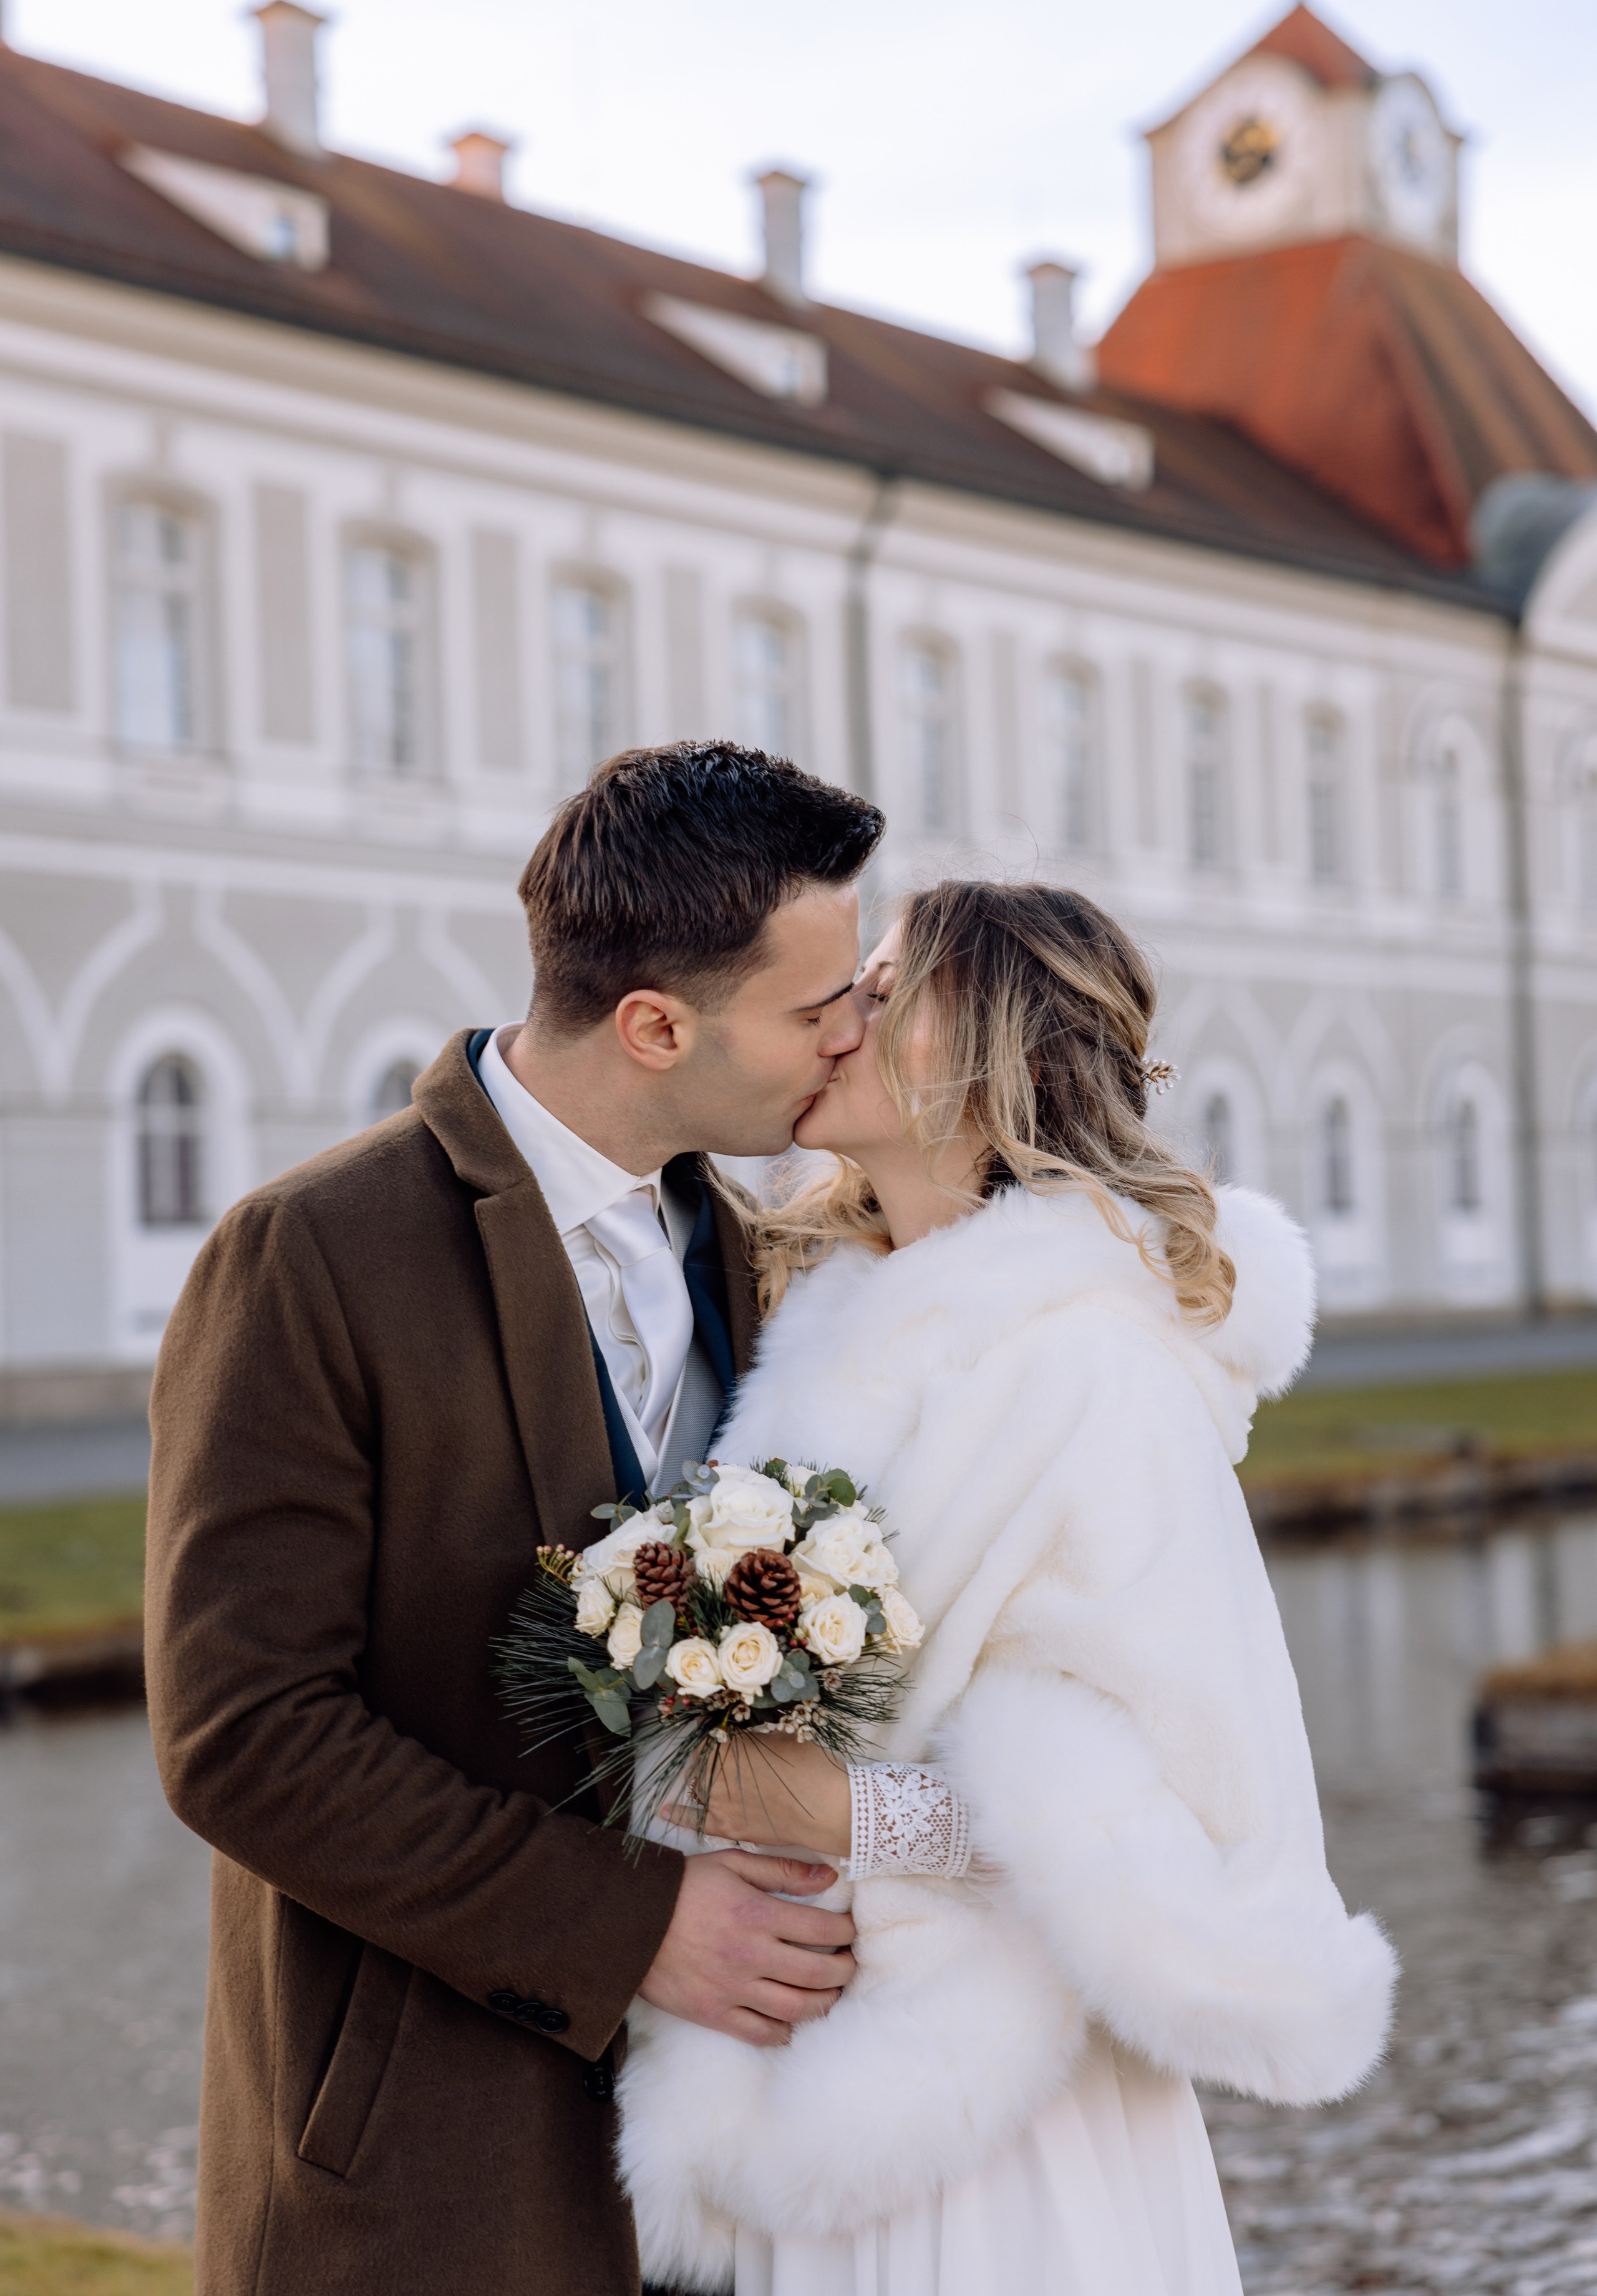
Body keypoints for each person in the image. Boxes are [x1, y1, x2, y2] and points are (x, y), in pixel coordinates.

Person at [142, 742, 885, 2296]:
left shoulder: (769, 1258)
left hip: (737, 2161)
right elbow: (244, 1730)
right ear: (655, 1024)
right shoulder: (311, 1253)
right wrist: (626, 1930)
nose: (851, 1033)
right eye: (816, 1007)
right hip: (428, 2163)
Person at [617, 880, 1397, 2296]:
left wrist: (838, 1806)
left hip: (993, 2114)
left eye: (883, 985)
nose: (835, 1017)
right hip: (816, 2047)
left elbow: (1178, 1806)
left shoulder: (1093, 1365)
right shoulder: (824, 1318)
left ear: (990, 1049)